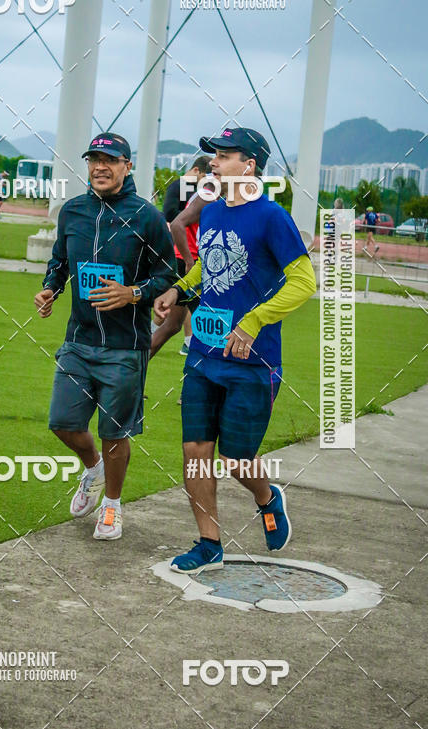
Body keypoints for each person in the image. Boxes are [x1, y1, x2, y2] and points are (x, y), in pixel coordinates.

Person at [154, 127, 316, 573]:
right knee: (195, 452)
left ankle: (266, 497)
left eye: (224, 156)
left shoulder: (272, 217)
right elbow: (212, 263)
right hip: (203, 354)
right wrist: (178, 289)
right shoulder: (213, 212)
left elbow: (305, 282)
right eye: (213, 155)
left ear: (249, 166)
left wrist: (253, 319)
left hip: (253, 361)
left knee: (235, 459)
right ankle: (209, 544)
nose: (214, 163)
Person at [34, 133, 176, 541]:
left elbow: (169, 272)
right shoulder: (72, 211)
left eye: (110, 160)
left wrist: (132, 293)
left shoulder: (147, 216)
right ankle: (92, 469)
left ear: (127, 166)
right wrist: (51, 288)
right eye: (94, 159)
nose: (100, 166)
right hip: (78, 341)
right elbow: (60, 261)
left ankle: (112, 506)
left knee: (116, 433)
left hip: (125, 347)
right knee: (62, 422)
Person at [161, 156, 211, 355]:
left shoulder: (203, 192)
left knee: (174, 319)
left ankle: (189, 342)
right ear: (197, 170)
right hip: (184, 256)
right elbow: (171, 217)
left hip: (190, 256)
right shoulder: (182, 187)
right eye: (207, 175)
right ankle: (193, 344)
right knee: (196, 308)